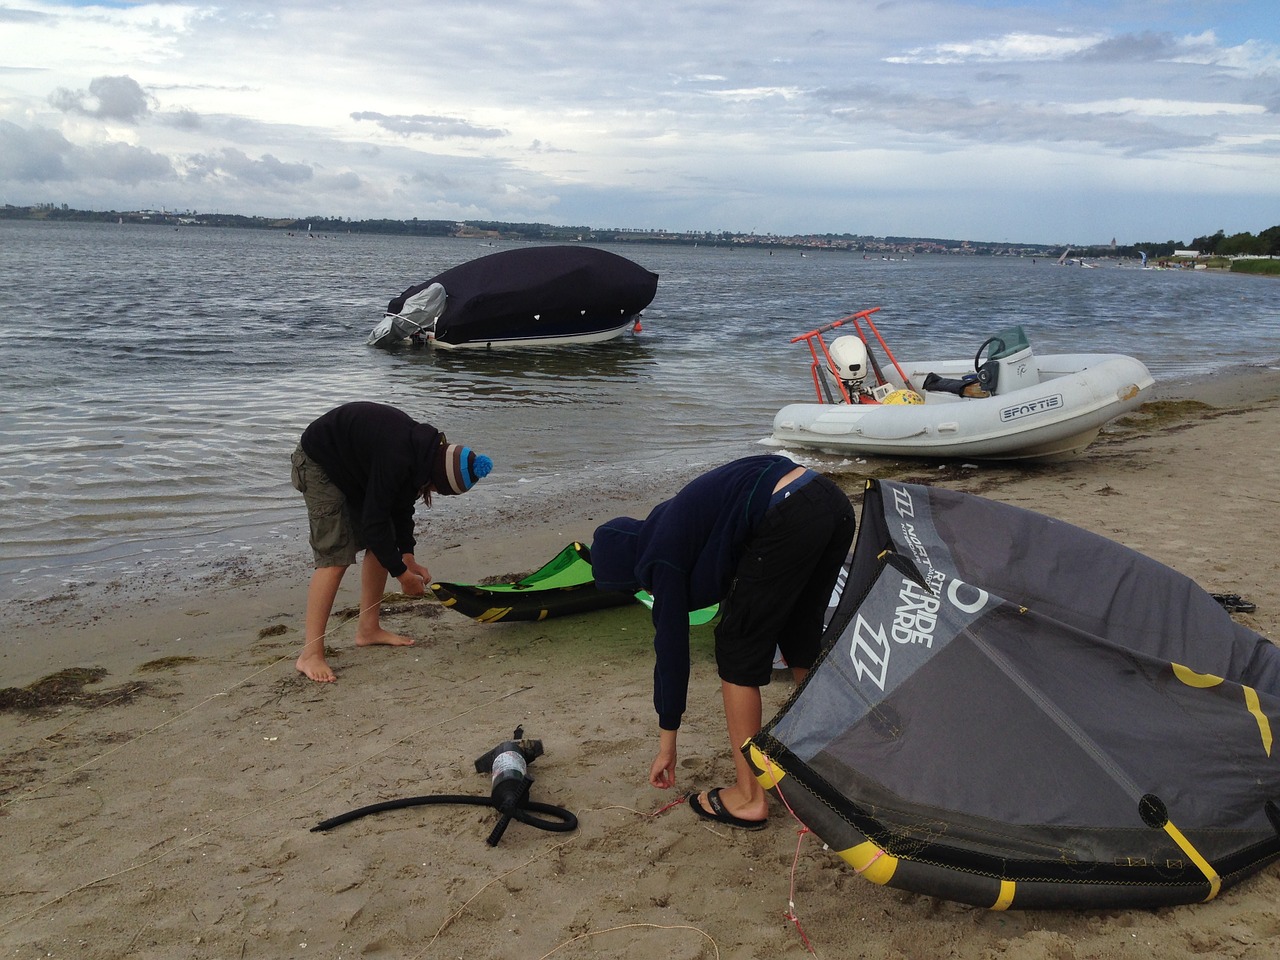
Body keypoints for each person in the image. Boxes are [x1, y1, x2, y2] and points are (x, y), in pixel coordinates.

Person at [590, 455, 856, 830]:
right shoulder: (673, 521)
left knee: (736, 650)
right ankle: (835, 772)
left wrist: (668, 745)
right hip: (829, 500)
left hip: (787, 510)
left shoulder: (657, 556)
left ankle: (748, 799)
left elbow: (671, 652)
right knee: (802, 639)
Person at [290, 401, 492, 682]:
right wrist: (401, 575)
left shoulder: (423, 454)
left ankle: (368, 629)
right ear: (437, 479)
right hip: (320, 461)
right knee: (335, 556)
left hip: (354, 467)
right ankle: (310, 655)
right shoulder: (399, 456)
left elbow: (400, 509)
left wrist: (406, 556)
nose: (431, 491)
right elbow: (374, 523)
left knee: (386, 542)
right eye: (436, 489)